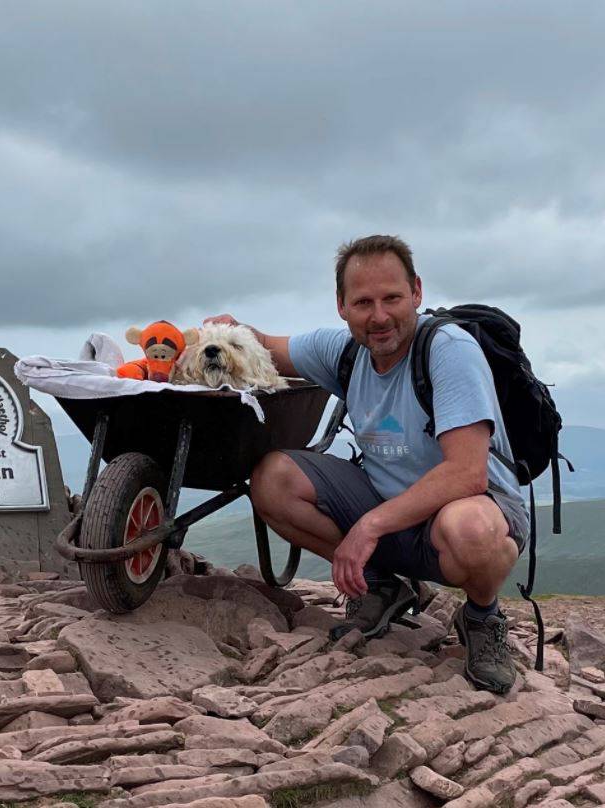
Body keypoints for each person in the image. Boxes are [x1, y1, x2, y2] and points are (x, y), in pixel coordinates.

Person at [207, 234, 529, 694]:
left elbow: (466, 473)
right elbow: (262, 345)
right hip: (390, 508)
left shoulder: (448, 351)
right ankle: (380, 585)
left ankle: (481, 615)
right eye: (363, 302)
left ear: (417, 292)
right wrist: (227, 329)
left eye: (392, 298)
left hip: (469, 510)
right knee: (271, 480)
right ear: (341, 305)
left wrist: (369, 526)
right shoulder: (342, 351)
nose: (379, 317)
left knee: (471, 531)